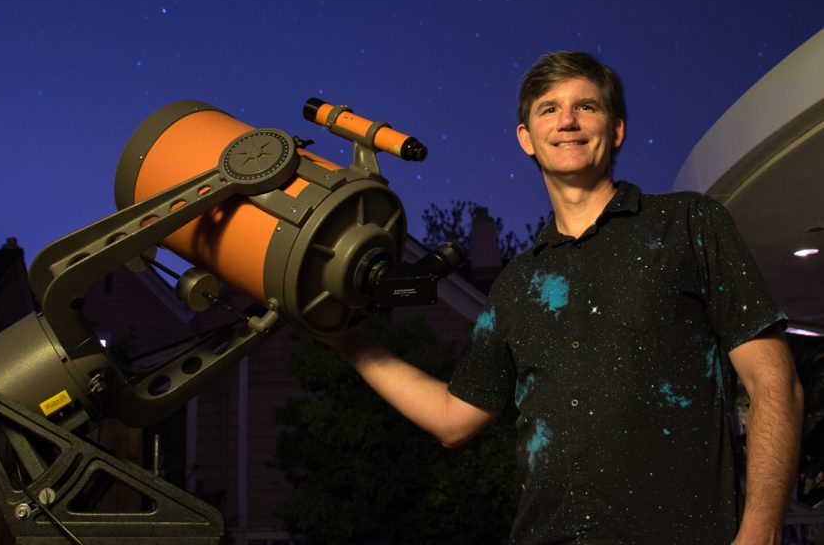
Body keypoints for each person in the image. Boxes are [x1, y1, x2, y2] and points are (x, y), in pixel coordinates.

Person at [327, 51, 803, 544]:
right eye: (549, 109)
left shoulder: (688, 224)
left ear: (615, 130)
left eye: (587, 107)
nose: (568, 121)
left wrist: (760, 531)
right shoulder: (516, 284)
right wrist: (348, 342)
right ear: (526, 138)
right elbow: (453, 419)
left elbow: (774, 382)